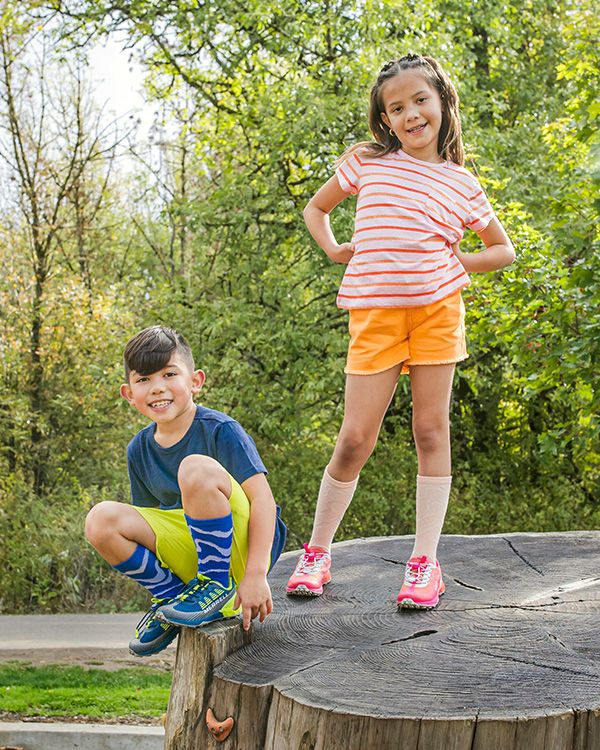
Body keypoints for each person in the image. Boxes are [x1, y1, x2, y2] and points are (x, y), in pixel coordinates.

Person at [286, 53, 515, 609]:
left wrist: (458, 261)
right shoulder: (367, 162)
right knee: (353, 440)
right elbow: (318, 210)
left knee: (430, 433)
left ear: (441, 104)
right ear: (385, 120)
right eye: (397, 107)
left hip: (438, 315)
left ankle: (424, 563)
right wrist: (334, 247)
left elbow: (503, 250)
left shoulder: (461, 182)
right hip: (375, 316)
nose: (411, 113)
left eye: (420, 101)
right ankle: (316, 553)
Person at [85, 326, 286, 656]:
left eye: (169, 374)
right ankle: (173, 598)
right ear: (128, 393)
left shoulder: (221, 430)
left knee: (194, 467)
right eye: (144, 380)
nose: (157, 387)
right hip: (196, 554)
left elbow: (263, 500)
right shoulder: (139, 449)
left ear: (195, 381)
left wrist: (255, 574)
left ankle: (215, 586)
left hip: (241, 552)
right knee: (100, 519)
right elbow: (153, 526)